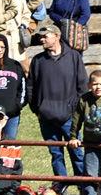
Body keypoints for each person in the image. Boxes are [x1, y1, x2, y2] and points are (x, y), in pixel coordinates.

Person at [27, 23, 87, 177]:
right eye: (40, 37)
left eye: (45, 36)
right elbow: (31, 87)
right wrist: (38, 109)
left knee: (77, 153)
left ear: (57, 36)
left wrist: (74, 110)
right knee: (56, 154)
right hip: (46, 117)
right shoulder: (38, 60)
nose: (42, 40)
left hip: (69, 117)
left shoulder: (74, 57)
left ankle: (84, 185)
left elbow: (82, 86)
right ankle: (61, 184)